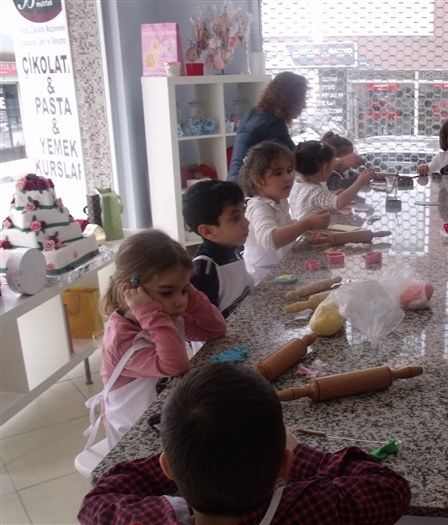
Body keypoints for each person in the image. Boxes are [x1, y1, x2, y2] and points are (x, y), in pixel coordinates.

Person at [78, 363, 412, 525]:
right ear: (284, 465)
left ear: (167, 467)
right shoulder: (311, 510)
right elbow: (390, 489)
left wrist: (188, 451)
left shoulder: (146, 520)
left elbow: (97, 501)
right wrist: (301, 455)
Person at [83, 230, 227, 450]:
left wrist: (189, 292)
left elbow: (215, 328)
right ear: (132, 292)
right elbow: (175, 364)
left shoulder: (167, 316)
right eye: (167, 293)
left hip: (163, 418)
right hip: (133, 436)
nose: (179, 302)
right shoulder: (122, 341)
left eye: (183, 291)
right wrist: (150, 313)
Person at [226, 72, 363, 182]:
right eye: (302, 99)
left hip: (234, 181)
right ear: (289, 100)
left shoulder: (253, 113)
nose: (303, 105)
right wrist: (339, 162)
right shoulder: (272, 124)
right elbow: (299, 161)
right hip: (247, 188)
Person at [238, 141, 331, 285]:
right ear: (258, 181)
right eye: (278, 173)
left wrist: (307, 223)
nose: (288, 177)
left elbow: (283, 225)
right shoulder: (258, 207)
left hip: (281, 270)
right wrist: (307, 223)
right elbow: (271, 239)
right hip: (263, 280)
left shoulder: (279, 200)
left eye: (289, 170)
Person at [182, 180, 255, 318]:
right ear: (208, 231)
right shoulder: (204, 270)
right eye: (235, 218)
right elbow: (205, 323)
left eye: (243, 212)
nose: (246, 222)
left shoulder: (234, 250)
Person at [289, 140, 373, 220]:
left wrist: (332, 195)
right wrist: (360, 182)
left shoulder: (297, 184)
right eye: (332, 164)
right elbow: (339, 203)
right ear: (325, 168)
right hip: (312, 230)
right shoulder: (313, 191)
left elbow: (315, 202)